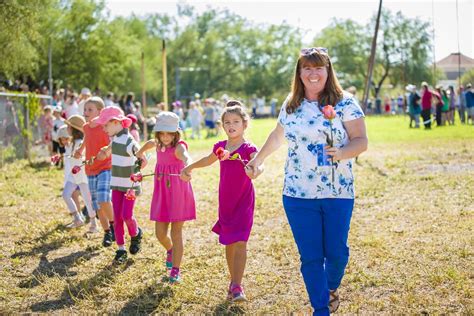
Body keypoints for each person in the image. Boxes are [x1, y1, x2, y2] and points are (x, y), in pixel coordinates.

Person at [246, 47, 368, 314]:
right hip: (298, 193)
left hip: (338, 191)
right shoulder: (291, 103)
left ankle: (331, 286)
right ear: (299, 73)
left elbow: (361, 141)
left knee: (337, 254)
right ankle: (320, 308)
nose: (313, 74)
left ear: (328, 71)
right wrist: (258, 160)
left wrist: (343, 153)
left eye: (318, 68)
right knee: (311, 257)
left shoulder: (345, 103)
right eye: (307, 69)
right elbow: (278, 136)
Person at [181, 101, 259, 301]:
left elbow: (258, 162)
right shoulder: (220, 147)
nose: (231, 125)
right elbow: (208, 160)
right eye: (227, 122)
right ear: (222, 125)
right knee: (230, 242)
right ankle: (233, 280)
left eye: (236, 121)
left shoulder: (248, 148)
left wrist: (255, 170)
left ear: (244, 124)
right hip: (226, 201)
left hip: (244, 200)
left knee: (241, 240)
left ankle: (238, 286)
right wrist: (190, 167)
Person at [136, 112, 195, 283]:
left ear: (176, 133)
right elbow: (148, 144)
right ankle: (170, 249)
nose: (166, 136)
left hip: (178, 191)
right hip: (162, 192)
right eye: (162, 133)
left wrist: (188, 167)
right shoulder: (157, 144)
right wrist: (139, 152)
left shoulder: (178, 147)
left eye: (170, 133)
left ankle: (176, 270)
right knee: (160, 233)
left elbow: (186, 156)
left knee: (176, 232)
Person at [94, 107, 144, 264]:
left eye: (105, 125)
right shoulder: (114, 140)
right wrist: (103, 153)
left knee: (127, 215)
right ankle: (121, 249)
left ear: (116, 122)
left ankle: (136, 234)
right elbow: (107, 152)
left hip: (129, 186)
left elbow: (143, 159)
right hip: (116, 184)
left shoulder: (130, 142)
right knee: (117, 218)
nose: (103, 129)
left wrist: (138, 169)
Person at [73, 97, 115, 247]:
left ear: (100, 112)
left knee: (104, 198)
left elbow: (112, 142)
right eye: (85, 109)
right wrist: (80, 150)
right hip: (90, 169)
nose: (86, 112)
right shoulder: (85, 127)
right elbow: (86, 139)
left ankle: (114, 226)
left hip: (105, 166)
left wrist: (106, 153)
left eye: (90, 109)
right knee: (97, 206)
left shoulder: (105, 126)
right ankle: (107, 232)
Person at [59, 118, 98, 232]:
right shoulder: (71, 143)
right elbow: (69, 156)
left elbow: (86, 156)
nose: (67, 129)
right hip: (73, 175)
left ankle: (93, 224)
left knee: (87, 200)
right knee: (66, 194)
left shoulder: (81, 143)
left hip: (82, 177)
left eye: (68, 127)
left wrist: (81, 157)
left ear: (73, 129)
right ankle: (77, 218)